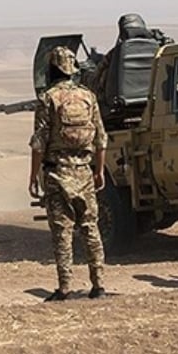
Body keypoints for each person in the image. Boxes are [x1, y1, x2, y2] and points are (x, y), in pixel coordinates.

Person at [29, 46, 108, 301]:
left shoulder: (48, 98)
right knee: (91, 230)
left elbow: (39, 143)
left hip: (57, 174)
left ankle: (64, 288)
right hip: (84, 172)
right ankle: (99, 286)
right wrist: (98, 170)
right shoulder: (89, 97)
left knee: (62, 233)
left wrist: (33, 176)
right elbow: (101, 139)